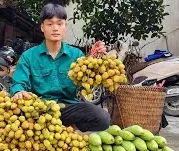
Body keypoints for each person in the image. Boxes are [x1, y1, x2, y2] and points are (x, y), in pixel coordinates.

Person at [10, 3, 110, 132]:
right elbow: (19, 82)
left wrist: (94, 62)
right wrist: (19, 92)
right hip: (39, 109)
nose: (55, 28)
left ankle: (63, 129)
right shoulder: (29, 56)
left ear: (65, 27)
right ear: (42, 27)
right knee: (15, 115)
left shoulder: (76, 55)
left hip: (68, 109)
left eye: (59, 23)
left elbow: (84, 86)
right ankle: (50, 129)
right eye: (50, 24)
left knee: (103, 118)